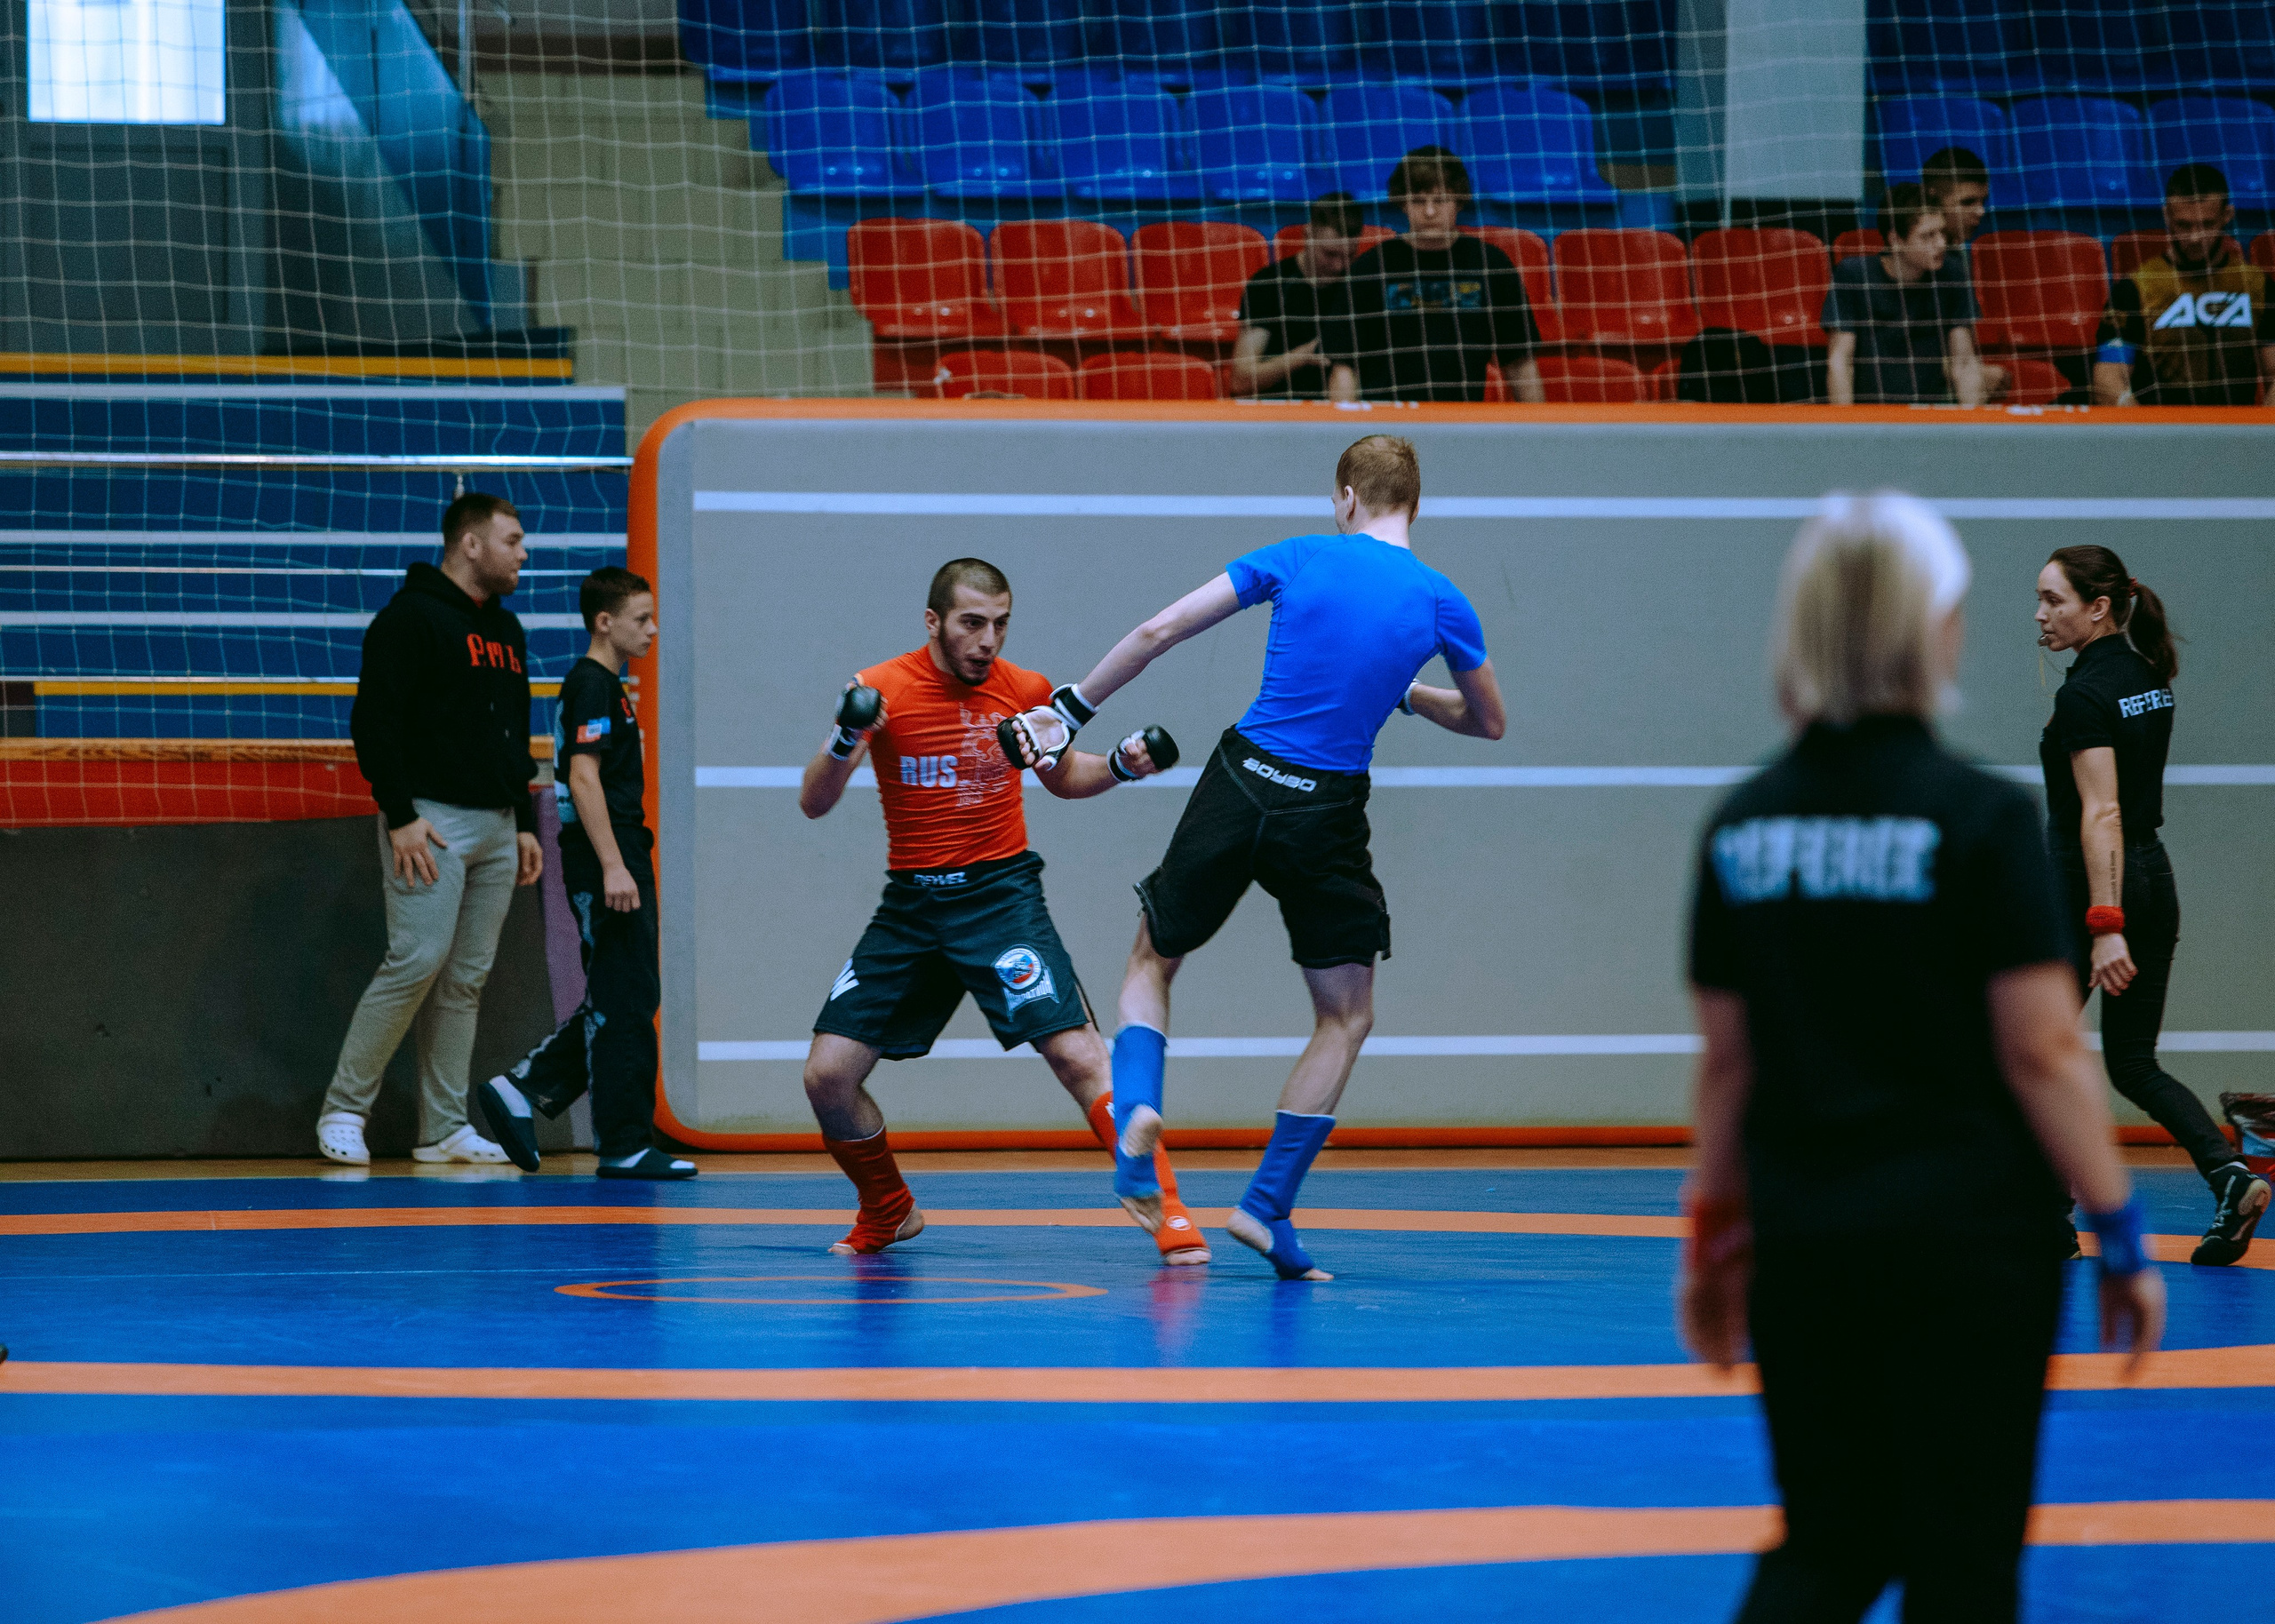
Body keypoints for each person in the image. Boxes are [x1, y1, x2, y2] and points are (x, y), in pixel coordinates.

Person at [1682, 492, 2164, 1623]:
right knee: (1964, 1558)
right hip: (1970, 1247)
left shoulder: (1742, 826)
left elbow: (1726, 1069)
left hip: (1808, 1236)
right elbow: (2044, 1049)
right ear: (1934, 629)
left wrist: (1710, 1243)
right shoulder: (1978, 819)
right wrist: (2120, 1230)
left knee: (1826, 1543)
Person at [1002, 436, 1506, 1280]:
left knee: (1152, 961)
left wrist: (1070, 708)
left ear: (1347, 496)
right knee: (1345, 1016)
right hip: (1328, 812)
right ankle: (1266, 1205)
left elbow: (1160, 629)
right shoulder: (1441, 602)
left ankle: (1140, 1115)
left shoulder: (1301, 557)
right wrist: (1407, 693)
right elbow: (1488, 720)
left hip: (1241, 783)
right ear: (1412, 505)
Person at [798, 558, 1206, 1264]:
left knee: (1078, 1056)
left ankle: (1164, 1206)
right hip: (913, 907)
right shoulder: (880, 688)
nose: (988, 640)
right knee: (827, 1077)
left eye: (1000, 624)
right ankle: (888, 1208)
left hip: (999, 897)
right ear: (933, 623)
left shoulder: (1025, 692)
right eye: (972, 624)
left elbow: (1064, 778)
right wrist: (846, 735)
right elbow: (816, 800)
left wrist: (1123, 766)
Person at [2033, 544, 2268, 1262]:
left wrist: (2106, 926)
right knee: (2132, 1062)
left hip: (2095, 894)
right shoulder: (2144, 676)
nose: (2039, 616)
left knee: (2033, 1055)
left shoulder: (2083, 697)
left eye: (2054, 601)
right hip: (2151, 877)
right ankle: (2229, 1175)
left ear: (2098, 608)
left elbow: (2101, 812)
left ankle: (2045, 1218)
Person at [315, 492, 543, 1167]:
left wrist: (525, 822)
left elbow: (513, 734)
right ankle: (344, 1109)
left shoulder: (506, 631)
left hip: (499, 827)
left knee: (464, 981)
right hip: (432, 821)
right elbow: (374, 723)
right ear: (470, 544)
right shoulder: (408, 618)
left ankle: (442, 1128)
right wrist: (402, 816)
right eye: (512, 539)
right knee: (415, 960)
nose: (522, 553)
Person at [475, 568, 694, 1181]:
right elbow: (582, 777)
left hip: (616, 850)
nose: (652, 630)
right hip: (607, 854)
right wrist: (614, 866)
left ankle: (524, 1088)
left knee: (625, 992)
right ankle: (622, 1141)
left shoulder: (607, 688)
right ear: (605, 622)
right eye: (641, 618)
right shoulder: (593, 685)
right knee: (623, 998)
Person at [1322, 147, 1543, 404]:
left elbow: (1520, 363)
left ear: (1459, 201)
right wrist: (1344, 434)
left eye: (1439, 201)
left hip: (1462, 422)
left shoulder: (1491, 266)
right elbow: (1344, 367)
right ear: (1402, 203)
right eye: (1418, 201)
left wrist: (1544, 439)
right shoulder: (1371, 267)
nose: (1429, 212)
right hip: (1386, 424)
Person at [2095, 163, 2275, 408]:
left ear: (2227, 216)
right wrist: (2144, 435)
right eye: (2184, 225)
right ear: (2167, 216)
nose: (2195, 238)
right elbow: (2108, 378)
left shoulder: (2257, 285)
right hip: (2162, 432)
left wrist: (2259, 437)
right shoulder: (2136, 288)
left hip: (2237, 432)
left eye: (2207, 225)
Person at [1824, 182, 1986, 407]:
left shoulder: (1952, 273)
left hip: (1928, 415)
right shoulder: (1854, 275)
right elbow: (1841, 362)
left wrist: (1974, 429)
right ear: (1896, 240)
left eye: (1942, 232)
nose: (1940, 243)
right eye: (1928, 236)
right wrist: (1847, 431)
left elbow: (1965, 363)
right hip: (1868, 416)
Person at [1228, 193, 1362, 401]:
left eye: (1349, 255)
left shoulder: (1359, 284)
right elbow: (1241, 380)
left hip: (1340, 411)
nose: (1339, 266)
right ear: (1307, 235)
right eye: (1330, 254)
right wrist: (1303, 356)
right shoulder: (1269, 284)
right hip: (1278, 410)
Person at [1919, 145, 2008, 401]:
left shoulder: (1957, 257)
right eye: (1967, 202)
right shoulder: (1914, 260)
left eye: (1983, 202)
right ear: (1933, 198)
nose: (1980, 212)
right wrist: (1975, 373)